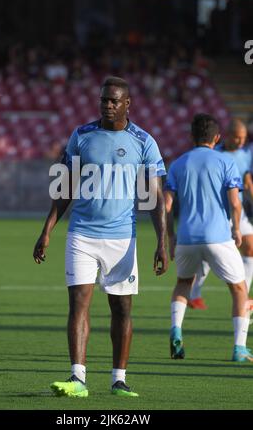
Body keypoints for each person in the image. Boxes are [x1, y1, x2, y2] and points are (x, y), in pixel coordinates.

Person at [33, 76, 168, 397]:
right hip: (82, 235)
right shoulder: (81, 136)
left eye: (114, 101)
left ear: (127, 104)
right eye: (104, 100)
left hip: (122, 240)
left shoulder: (144, 142)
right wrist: (47, 230)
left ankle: (118, 379)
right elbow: (64, 187)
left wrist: (163, 241)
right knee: (78, 303)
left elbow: (156, 198)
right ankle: (77, 378)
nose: (107, 105)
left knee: (122, 309)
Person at [164, 113, 252, 362]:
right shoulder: (225, 161)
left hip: (187, 237)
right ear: (217, 137)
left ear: (191, 137)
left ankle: (176, 330)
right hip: (218, 237)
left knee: (183, 283)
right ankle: (239, 348)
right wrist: (236, 229)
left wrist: (170, 237)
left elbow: (166, 206)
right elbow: (235, 203)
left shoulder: (178, 164)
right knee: (239, 288)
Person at [189, 118, 253, 309]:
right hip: (216, 215)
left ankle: (245, 298)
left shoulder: (244, 155)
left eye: (243, 138)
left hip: (237, 213)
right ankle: (193, 294)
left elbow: (247, 181)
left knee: (250, 249)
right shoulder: (213, 154)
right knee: (207, 258)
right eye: (237, 137)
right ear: (226, 135)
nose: (241, 141)